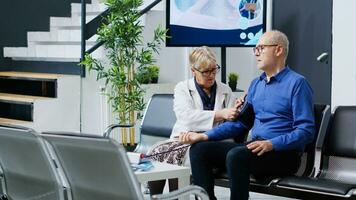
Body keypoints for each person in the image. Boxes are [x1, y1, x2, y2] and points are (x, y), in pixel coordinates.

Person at [179, 30, 315, 200]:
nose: (256, 53)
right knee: (199, 150)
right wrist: (204, 136)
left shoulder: (297, 83)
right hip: (255, 149)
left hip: (284, 153)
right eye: (255, 49)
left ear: (278, 50)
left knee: (237, 155)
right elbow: (240, 124)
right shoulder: (255, 84)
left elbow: (306, 131)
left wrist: (271, 144)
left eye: (261, 48)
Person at [147, 46, 239, 195]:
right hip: (183, 137)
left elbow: (231, 121)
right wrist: (220, 114)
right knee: (158, 151)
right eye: (206, 72)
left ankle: (178, 198)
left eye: (214, 70)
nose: (211, 75)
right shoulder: (182, 88)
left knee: (181, 155)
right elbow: (186, 118)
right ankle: (157, 198)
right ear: (193, 70)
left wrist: (233, 112)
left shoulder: (225, 90)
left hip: (213, 140)